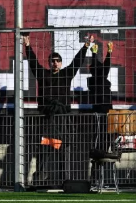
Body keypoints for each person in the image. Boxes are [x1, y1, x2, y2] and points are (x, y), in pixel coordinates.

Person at [22, 36, 88, 186]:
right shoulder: (43, 75)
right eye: (53, 60)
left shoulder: (66, 74)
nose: (55, 63)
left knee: (63, 150)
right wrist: (28, 46)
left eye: (58, 60)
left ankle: (63, 180)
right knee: (45, 149)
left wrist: (85, 46)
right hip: (48, 119)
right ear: (49, 62)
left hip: (62, 119)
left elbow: (77, 62)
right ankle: (40, 178)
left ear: (61, 63)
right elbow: (33, 63)